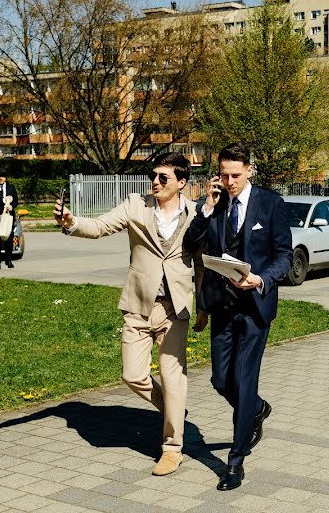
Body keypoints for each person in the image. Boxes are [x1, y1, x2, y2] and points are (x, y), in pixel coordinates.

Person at [54, 152, 205, 476]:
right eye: (154, 176)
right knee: (132, 374)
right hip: (138, 306)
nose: (155, 182)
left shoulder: (195, 214)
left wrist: (203, 307)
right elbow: (99, 226)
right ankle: (173, 411)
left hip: (173, 308)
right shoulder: (136, 206)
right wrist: (71, 221)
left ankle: (172, 447)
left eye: (163, 178)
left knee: (172, 377)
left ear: (181, 182)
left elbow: (202, 263)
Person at [183, 143, 293, 491]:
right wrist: (205, 208)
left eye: (234, 175)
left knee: (244, 382)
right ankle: (257, 410)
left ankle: (235, 461)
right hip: (222, 305)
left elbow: (284, 255)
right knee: (219, 380)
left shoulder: (270, 203)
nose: (228, 181)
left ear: (249, 170)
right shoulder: (214, 205)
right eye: (223, 175)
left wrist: (261, 278)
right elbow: (190, 245)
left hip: (255, 307)